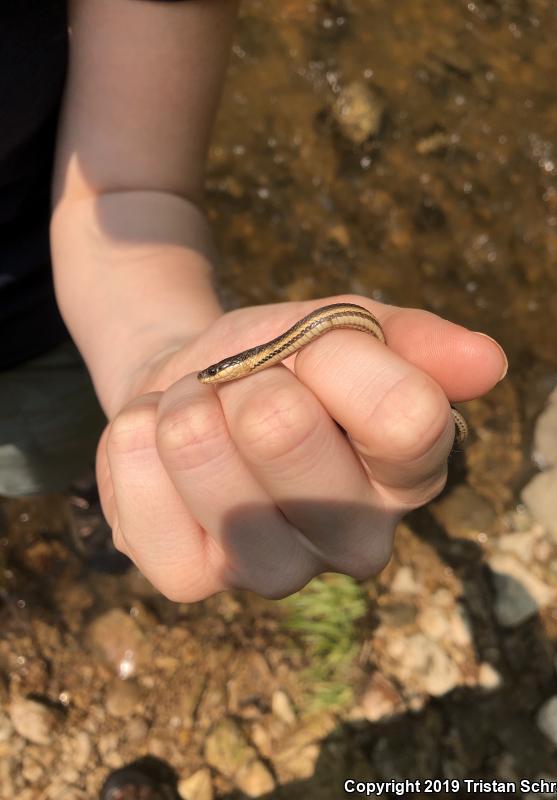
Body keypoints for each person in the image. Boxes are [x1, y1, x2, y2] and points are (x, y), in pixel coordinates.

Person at [1, 1, 508, 797]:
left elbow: (134, 189)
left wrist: (152, 358)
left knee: (94, 447)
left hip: (47, 333)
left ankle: (95, 490)